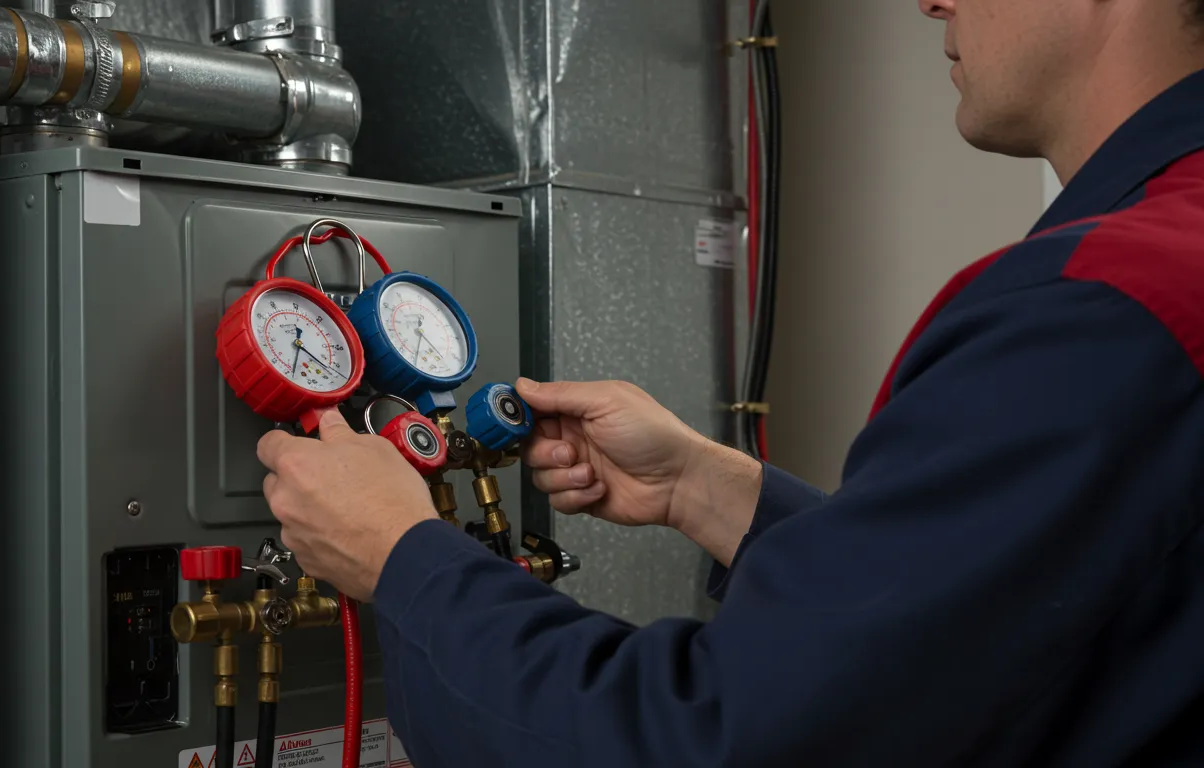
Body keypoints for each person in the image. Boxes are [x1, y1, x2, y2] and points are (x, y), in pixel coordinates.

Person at [254, 0, 1204, 763]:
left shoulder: (1098, 307)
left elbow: (724, 736)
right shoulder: (1161, 271)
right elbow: (1014, 621)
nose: (932, 3)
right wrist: (711, 488)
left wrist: (403, 557)